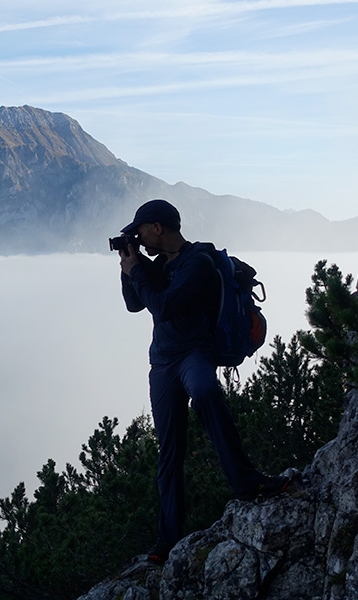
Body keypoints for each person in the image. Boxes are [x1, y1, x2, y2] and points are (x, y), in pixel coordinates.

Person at [117, 199, 290, 563]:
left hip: (194, 353)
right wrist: (129, 266)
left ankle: (245, 481)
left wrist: (137, 271)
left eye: (141, 230)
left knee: (206, 391)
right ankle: (168, 540)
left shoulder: (197, 262)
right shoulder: (158, 266)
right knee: (170, 450)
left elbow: (163, 307)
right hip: (162, 362)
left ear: (158, 227)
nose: (139, 236)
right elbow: (135, 305)